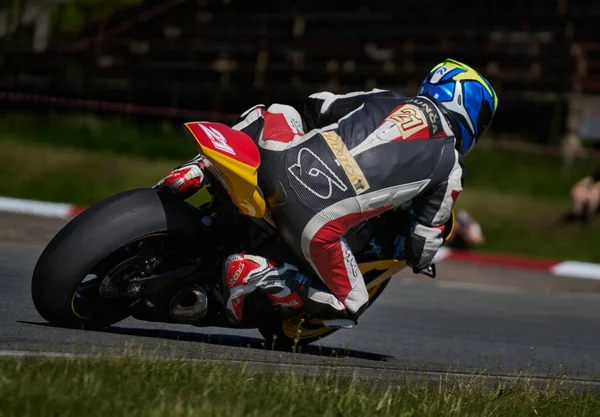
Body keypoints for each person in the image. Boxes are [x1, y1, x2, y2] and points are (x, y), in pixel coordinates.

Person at [155, 59, 498, 328]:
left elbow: (318, 104)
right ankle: (258, 273)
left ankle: (200, 167)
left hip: (281, 163)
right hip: (316, 225)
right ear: (469, 109)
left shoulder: (386, 97)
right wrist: (419, 261)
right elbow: (423, 244)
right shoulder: (450, 164)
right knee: (352, 302)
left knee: (277, 111)